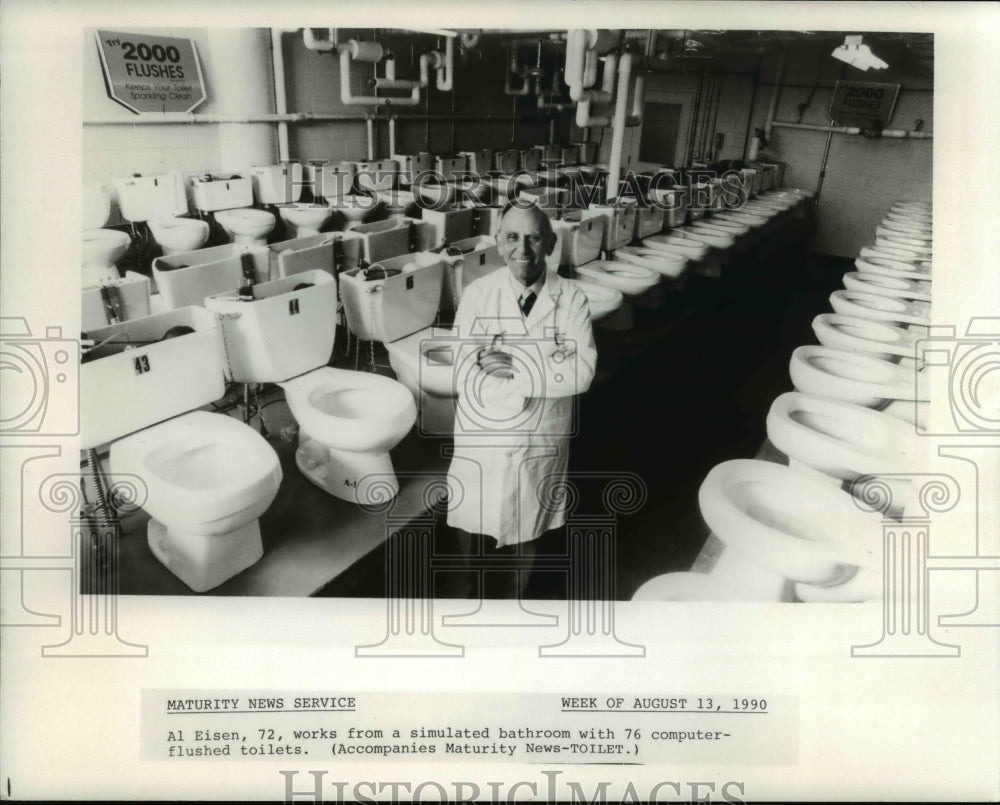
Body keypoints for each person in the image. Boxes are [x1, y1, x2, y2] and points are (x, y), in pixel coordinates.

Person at [445, 201, 597, 598]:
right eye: (512, 237)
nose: (522, 249)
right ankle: (472, 590)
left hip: (539, 434)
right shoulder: (478, 294)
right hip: (484, 430)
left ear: (550, 243)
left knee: (531, 519)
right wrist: (546, 366)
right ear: (498, 242)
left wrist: (507, 363)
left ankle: (515, 599)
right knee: (470, 515)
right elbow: (464, 373)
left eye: (533, 238)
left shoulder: (573, 298)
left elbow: (581, 375)